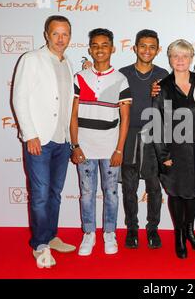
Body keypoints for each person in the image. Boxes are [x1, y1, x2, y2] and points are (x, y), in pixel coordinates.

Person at [13, 15, 76, 267]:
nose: (61, 39)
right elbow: (20, 98)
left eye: (65, 34)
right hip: (39, 139)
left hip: (61, 138)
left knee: (55, 193)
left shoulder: (67, 63)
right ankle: (39, 244)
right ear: (46, 35)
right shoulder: (31, 59)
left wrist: (71, 138)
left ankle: (50, 237)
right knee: (39, 194)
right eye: (56, 33)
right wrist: (30, 134)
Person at [71, 28, 132, 256]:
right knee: (86, 192)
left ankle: (109, 233)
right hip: (84, 147)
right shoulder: (79, 77)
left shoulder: (120, 80)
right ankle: (89, 233)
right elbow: (73, 115)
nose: (99, 49)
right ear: (89, 49)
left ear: (112, 49)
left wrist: (119, 149)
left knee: (111, 193)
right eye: (95, 45)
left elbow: (125, 119)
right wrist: (75, 145)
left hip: (110, 148)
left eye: (104, 45)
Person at [150, 39, 195, 259]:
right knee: (176, 192)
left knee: (193, 192)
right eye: (176, 56)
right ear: (170, 59)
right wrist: (163, 155)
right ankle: (178, 235)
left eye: (185, 56)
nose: (180, 60)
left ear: (191, 58)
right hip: (173, 151)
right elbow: (156, 123)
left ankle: (190, 231)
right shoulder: (162, 86)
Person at [119, 30, 168, 249]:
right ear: (135, 48)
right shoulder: (122, 74)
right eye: (143, 46)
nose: (146, 50)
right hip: (128, 135)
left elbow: (170, 109)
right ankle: (132, 229)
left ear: (157, 50)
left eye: (151, 47)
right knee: (129, 186)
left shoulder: (164, 74)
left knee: (154, 187)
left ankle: (153, 229)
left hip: (154, 136)